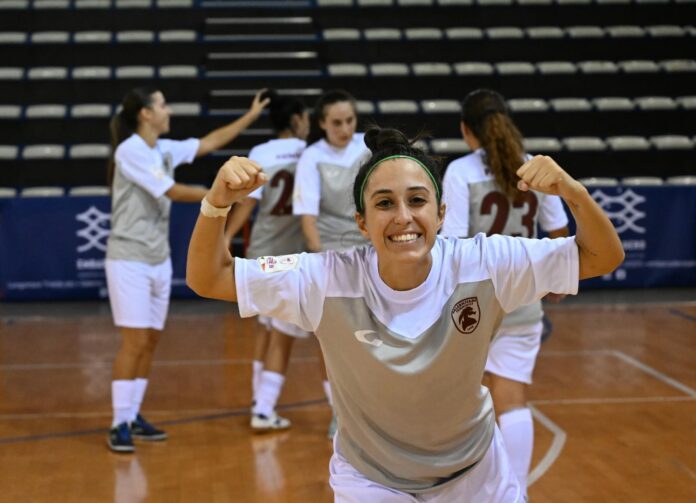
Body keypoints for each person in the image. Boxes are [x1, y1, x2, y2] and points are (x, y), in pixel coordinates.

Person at [186, 126, 623, 501]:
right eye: (383, 204)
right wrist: (216, 204)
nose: (403, 217)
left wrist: (573, 191)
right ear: (361, 222)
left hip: (476, 472)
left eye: (417, 200)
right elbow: (208, 278)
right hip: (373, 480)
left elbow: (601, 256)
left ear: (441, 212)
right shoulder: (327, 278)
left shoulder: (484, 262)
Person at [105, 86, 269, 453]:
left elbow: (209, 143)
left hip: (157, 256)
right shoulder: (129, 149)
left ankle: (133, 416)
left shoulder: (162, 149)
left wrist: (250, 117)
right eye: (162, 104)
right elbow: (173, 192)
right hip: (128, 257)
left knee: (149, 341)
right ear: (146, 114)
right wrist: (222, 195)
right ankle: (118, 423)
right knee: (134, 342)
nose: (169, 109)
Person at [441, 88, 569, 497]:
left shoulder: (460, 171)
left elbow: (453, 245)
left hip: (474, 301)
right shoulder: (532, 167)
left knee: (465, 401)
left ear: (466, 130)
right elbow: (559, 234)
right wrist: (554, 282)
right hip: (523, 295)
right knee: (512, 399)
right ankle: (515, 494)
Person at [223, 89, 311, 431]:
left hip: (261, 251)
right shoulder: (309, 152)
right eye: (304, 117)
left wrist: (226, 237)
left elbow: (246, 202)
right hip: (291, 257)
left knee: (265, 327)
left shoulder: (260, 152)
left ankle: (257, 397)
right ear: (295, 120)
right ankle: (263, 409)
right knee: (283, 335)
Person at [292, 89, 371, 436]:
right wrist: (321, 259)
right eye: (337, 122)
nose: (344, 128)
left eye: (350, 121)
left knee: (375, 336)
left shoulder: (366, 151)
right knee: (333, 341)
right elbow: (307, 216)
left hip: (368, 251)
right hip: (330, 254)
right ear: (322, 123)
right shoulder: (311, 157)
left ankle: (377, 411)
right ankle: (340, 412)